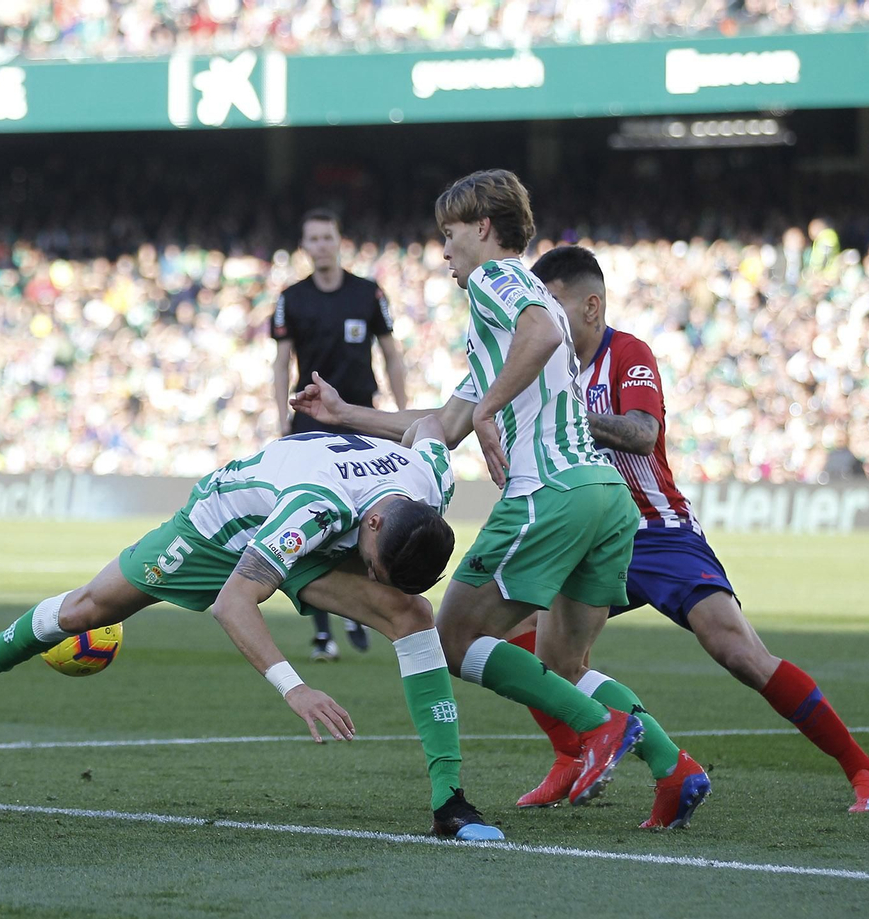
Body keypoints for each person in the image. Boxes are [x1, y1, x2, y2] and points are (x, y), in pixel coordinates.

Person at [292, 169, 709, 830]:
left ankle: (597, 731)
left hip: (549, 492)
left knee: (452, 637)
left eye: (449, 234)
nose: (444, 251)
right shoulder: (497, 332)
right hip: (603, 496)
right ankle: (674, 767)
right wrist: (346, 414)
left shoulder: (500, 280)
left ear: (482, 227)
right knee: (562, 666)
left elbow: (541, 333)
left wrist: (489, 410)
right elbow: (445, 425)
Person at [0, 424, 503, 841]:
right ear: (373, 523)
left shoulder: (432, 475)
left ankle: (449, 801)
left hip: (311, 534)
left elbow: (429, 425)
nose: (376, 578)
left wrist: (349, 413)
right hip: (216, 530)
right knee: (84, 612)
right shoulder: (315, 509)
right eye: (376, 564)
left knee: (412, 613)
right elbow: (234, 603)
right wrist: (295, 688)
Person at [501, 245, 869, 814]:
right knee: (519, 637)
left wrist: (569, 421)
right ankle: (572, 756)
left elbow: (640, 433)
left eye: (554, 303)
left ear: (591, 306)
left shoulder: (628, 353)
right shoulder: (544, 368)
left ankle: (864, 769)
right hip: (588, 538)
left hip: (656, 532)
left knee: (736, 650)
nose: (546, 317)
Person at [272, 208, 409, 661]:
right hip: (309, 420)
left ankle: (358, 603)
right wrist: (280, 417)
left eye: (327, 236)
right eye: (313, 238)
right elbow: (280, 361)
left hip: (361, 419)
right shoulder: (290, 298)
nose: (321, 245)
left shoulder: (368, 294)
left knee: (365, 513)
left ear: (339, 240)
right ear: (305, 245)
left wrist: (401, 413)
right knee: (307, 519)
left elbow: (391, 354)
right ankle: (323, 632)